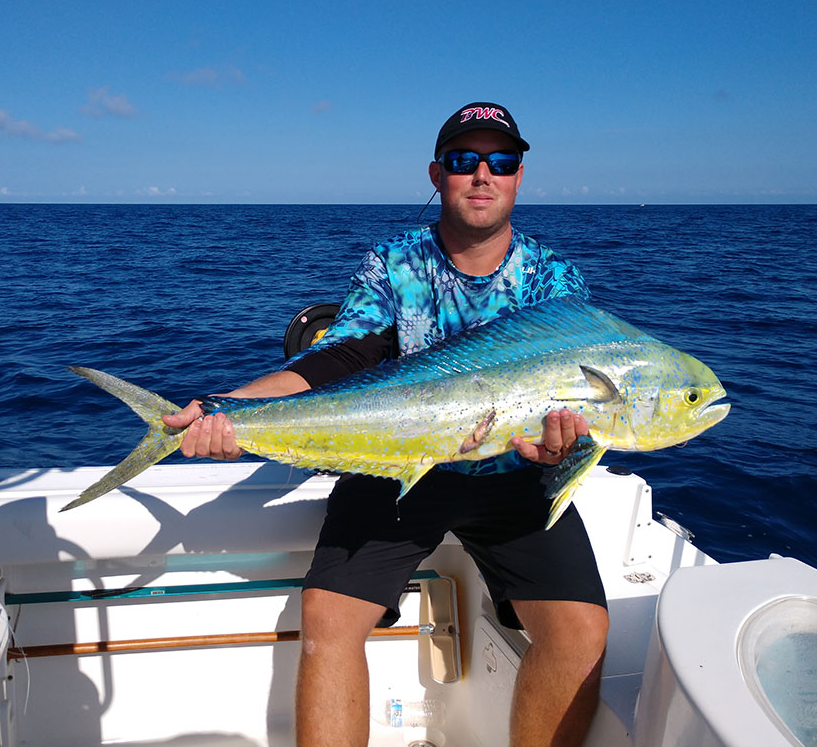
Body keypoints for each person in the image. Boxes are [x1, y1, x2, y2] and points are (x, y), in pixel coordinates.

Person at [163, 102, 608, 747]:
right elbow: (343, 358)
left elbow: (579, 404)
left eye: (500, 161)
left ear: (518, 177)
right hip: (399, 465)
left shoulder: (554, 278)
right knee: (329, 616)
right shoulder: (396, 263)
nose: (482, 174)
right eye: (463, 160)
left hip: (518, 479)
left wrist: (567, 447)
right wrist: (226, 407)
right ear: (437, 174)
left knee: (582, 632)